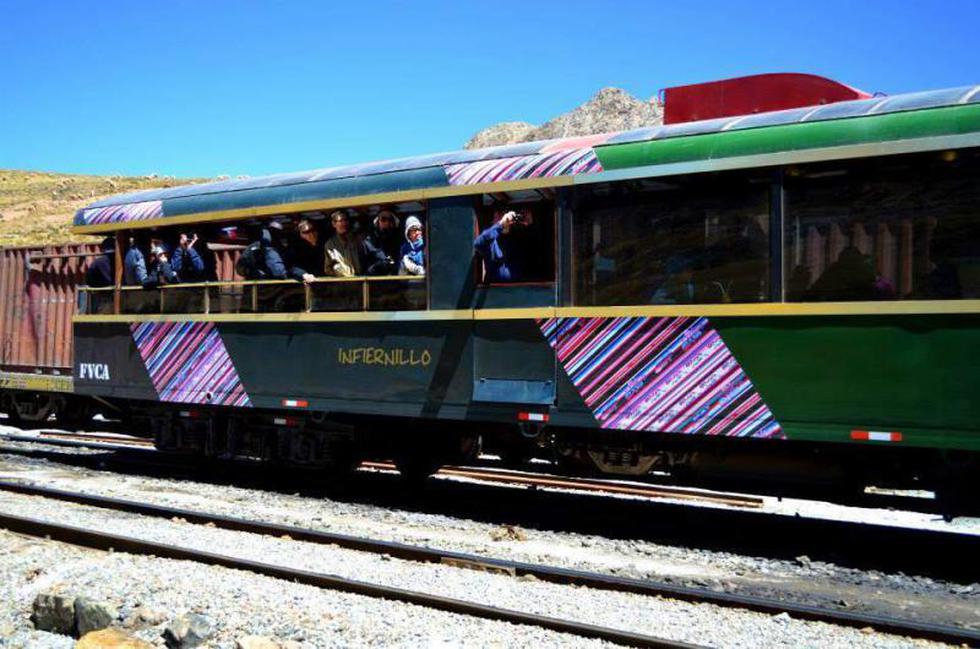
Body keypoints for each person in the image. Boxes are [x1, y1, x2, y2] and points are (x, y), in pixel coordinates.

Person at [473, 209, 531, 283]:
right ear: (492, 221)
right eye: (499, 216)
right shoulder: (491, 238)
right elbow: (478, 243)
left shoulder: (517, 237)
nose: (503, 218)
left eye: (504, 214)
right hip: (494, 289)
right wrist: (501, 224)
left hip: (518, 287)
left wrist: (528, 223)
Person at [362, 209, 401, 276]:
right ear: (377, 223)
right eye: (383, 219)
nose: (387, 223)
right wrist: (379, 266)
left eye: (390, 220)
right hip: (375, 282)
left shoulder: (398, 242)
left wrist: (391, 264)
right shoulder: (368, 242)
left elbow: (392, 261)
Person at [323, 210, 361, 277]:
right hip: (342, 283)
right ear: (334, 224)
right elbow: (328, 269)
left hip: (361, 280)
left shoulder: (357, 239)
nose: (344, 223)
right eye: (340, 221)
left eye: (345, 220)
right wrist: (340, 274)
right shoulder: (330, 244)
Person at [288, 218, 324, 283]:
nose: (311, 234)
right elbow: (293, 266)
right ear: (301, 235)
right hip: (311, 281)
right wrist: (304, 274)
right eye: (306, 232)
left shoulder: (325, 243)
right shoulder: (297, 249)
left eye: (313, 230)